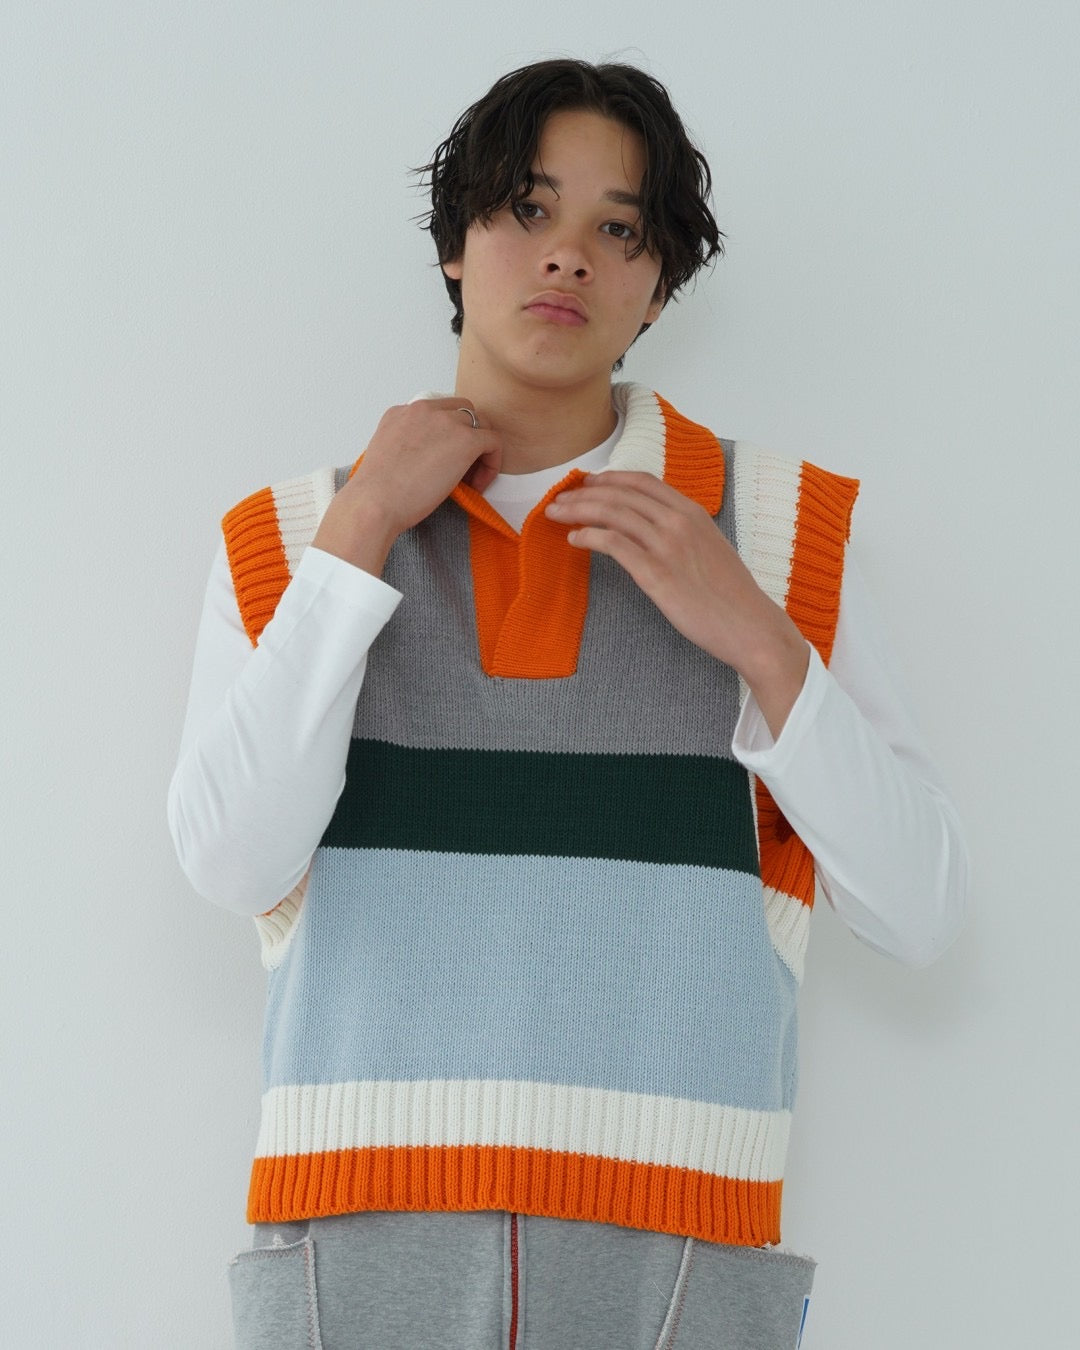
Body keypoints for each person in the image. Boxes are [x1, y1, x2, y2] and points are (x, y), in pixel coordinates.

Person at [169, 58, 968, 1350]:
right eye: (528, 209)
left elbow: (920, 910)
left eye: (619, 229)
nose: (567, 257)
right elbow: (228, 861)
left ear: (659, 285)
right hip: (356, 1247)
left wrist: (757, 638)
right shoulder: (296, 536)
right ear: (454, 244)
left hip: (678, 1258)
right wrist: (363, 529)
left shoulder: (776, 535)